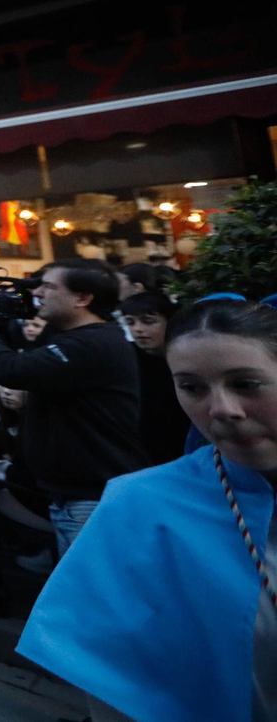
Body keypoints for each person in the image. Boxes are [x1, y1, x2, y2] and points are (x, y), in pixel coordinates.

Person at [18, 299, 277, 722]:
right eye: (192, 388)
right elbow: (114, 685)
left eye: (246, 384)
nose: (222, 410)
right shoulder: (136, 506)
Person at [0, 260, 148, 557]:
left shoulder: (94, 343)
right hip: (72, 496)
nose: (37, 292)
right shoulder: (72, 338)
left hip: (92, 498)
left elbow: (11, 369)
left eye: (49, 287)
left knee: (93, 597)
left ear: (82, 298)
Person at [120, 291, 190, 466]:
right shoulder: (126, 358)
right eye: (130, 322)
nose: (138, 329)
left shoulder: (190, 359)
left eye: (148, 321)